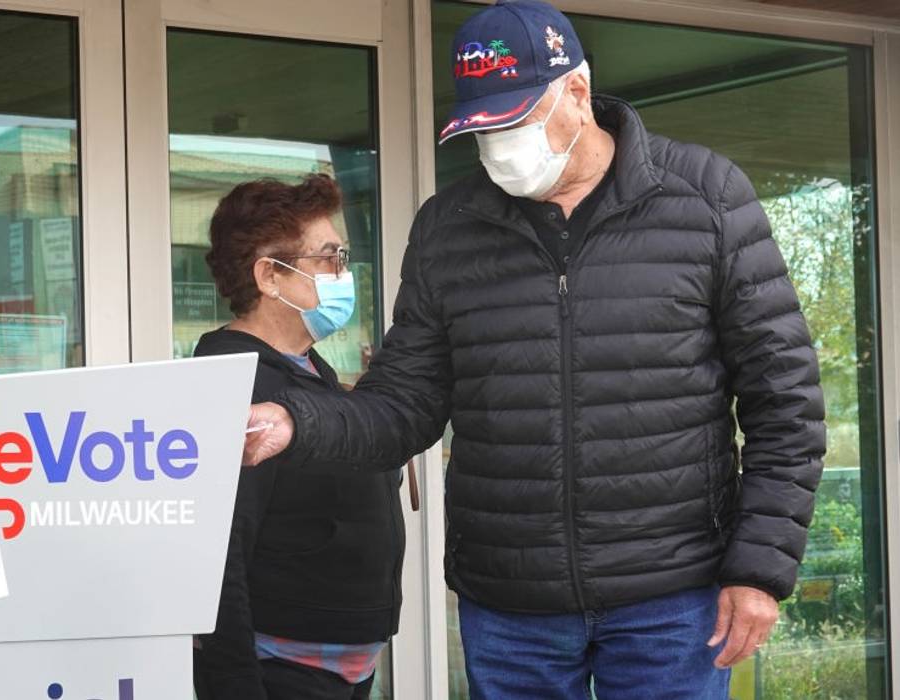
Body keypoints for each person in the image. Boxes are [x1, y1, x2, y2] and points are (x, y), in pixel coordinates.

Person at [242, 2, 825, 698]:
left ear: (576, 93)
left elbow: (783, 399)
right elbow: (403, 403)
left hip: (672, 595)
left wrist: (757, 570)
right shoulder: (448, 229)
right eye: (483, 129)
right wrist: (296, 422)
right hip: (509, 603)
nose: (497, 148)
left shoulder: (703, 198)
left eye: (515, 122)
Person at [192, 175, 404, 700]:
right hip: (281, 670)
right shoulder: (236, 384)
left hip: (340, 666)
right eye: (329, 258)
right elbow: (220, 562)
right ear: (270, 275)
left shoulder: (308, 370)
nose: (343, 273)